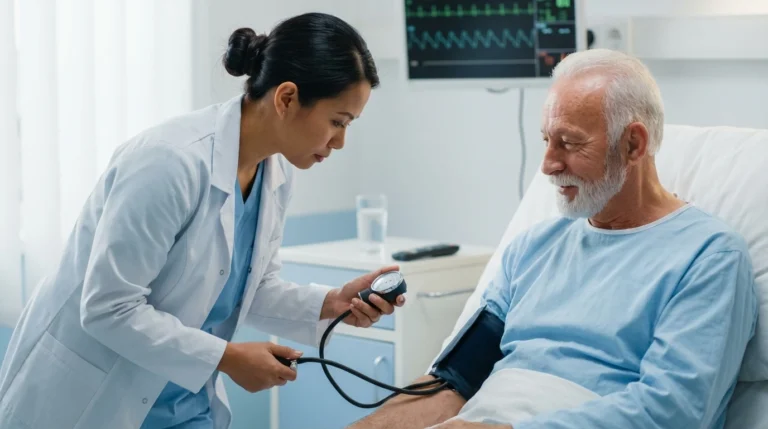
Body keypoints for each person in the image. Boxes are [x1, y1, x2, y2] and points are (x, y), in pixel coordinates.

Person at [0, 12, 404, 429]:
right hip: (91, 401)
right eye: (337, 122)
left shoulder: (275, 174)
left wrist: (331, 302)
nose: (340, 142)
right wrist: (227, 358)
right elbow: (107, 307)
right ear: (286, 98)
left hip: (182, 405)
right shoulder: (169, 161)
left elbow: (247, 286)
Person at [348, 49, 758, 429]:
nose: (548, 164)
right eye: (547, 140)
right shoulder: (532, 249)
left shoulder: (708, 256)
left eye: (569, 143)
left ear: (633, 144)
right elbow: (454, 381)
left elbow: (672, 412)